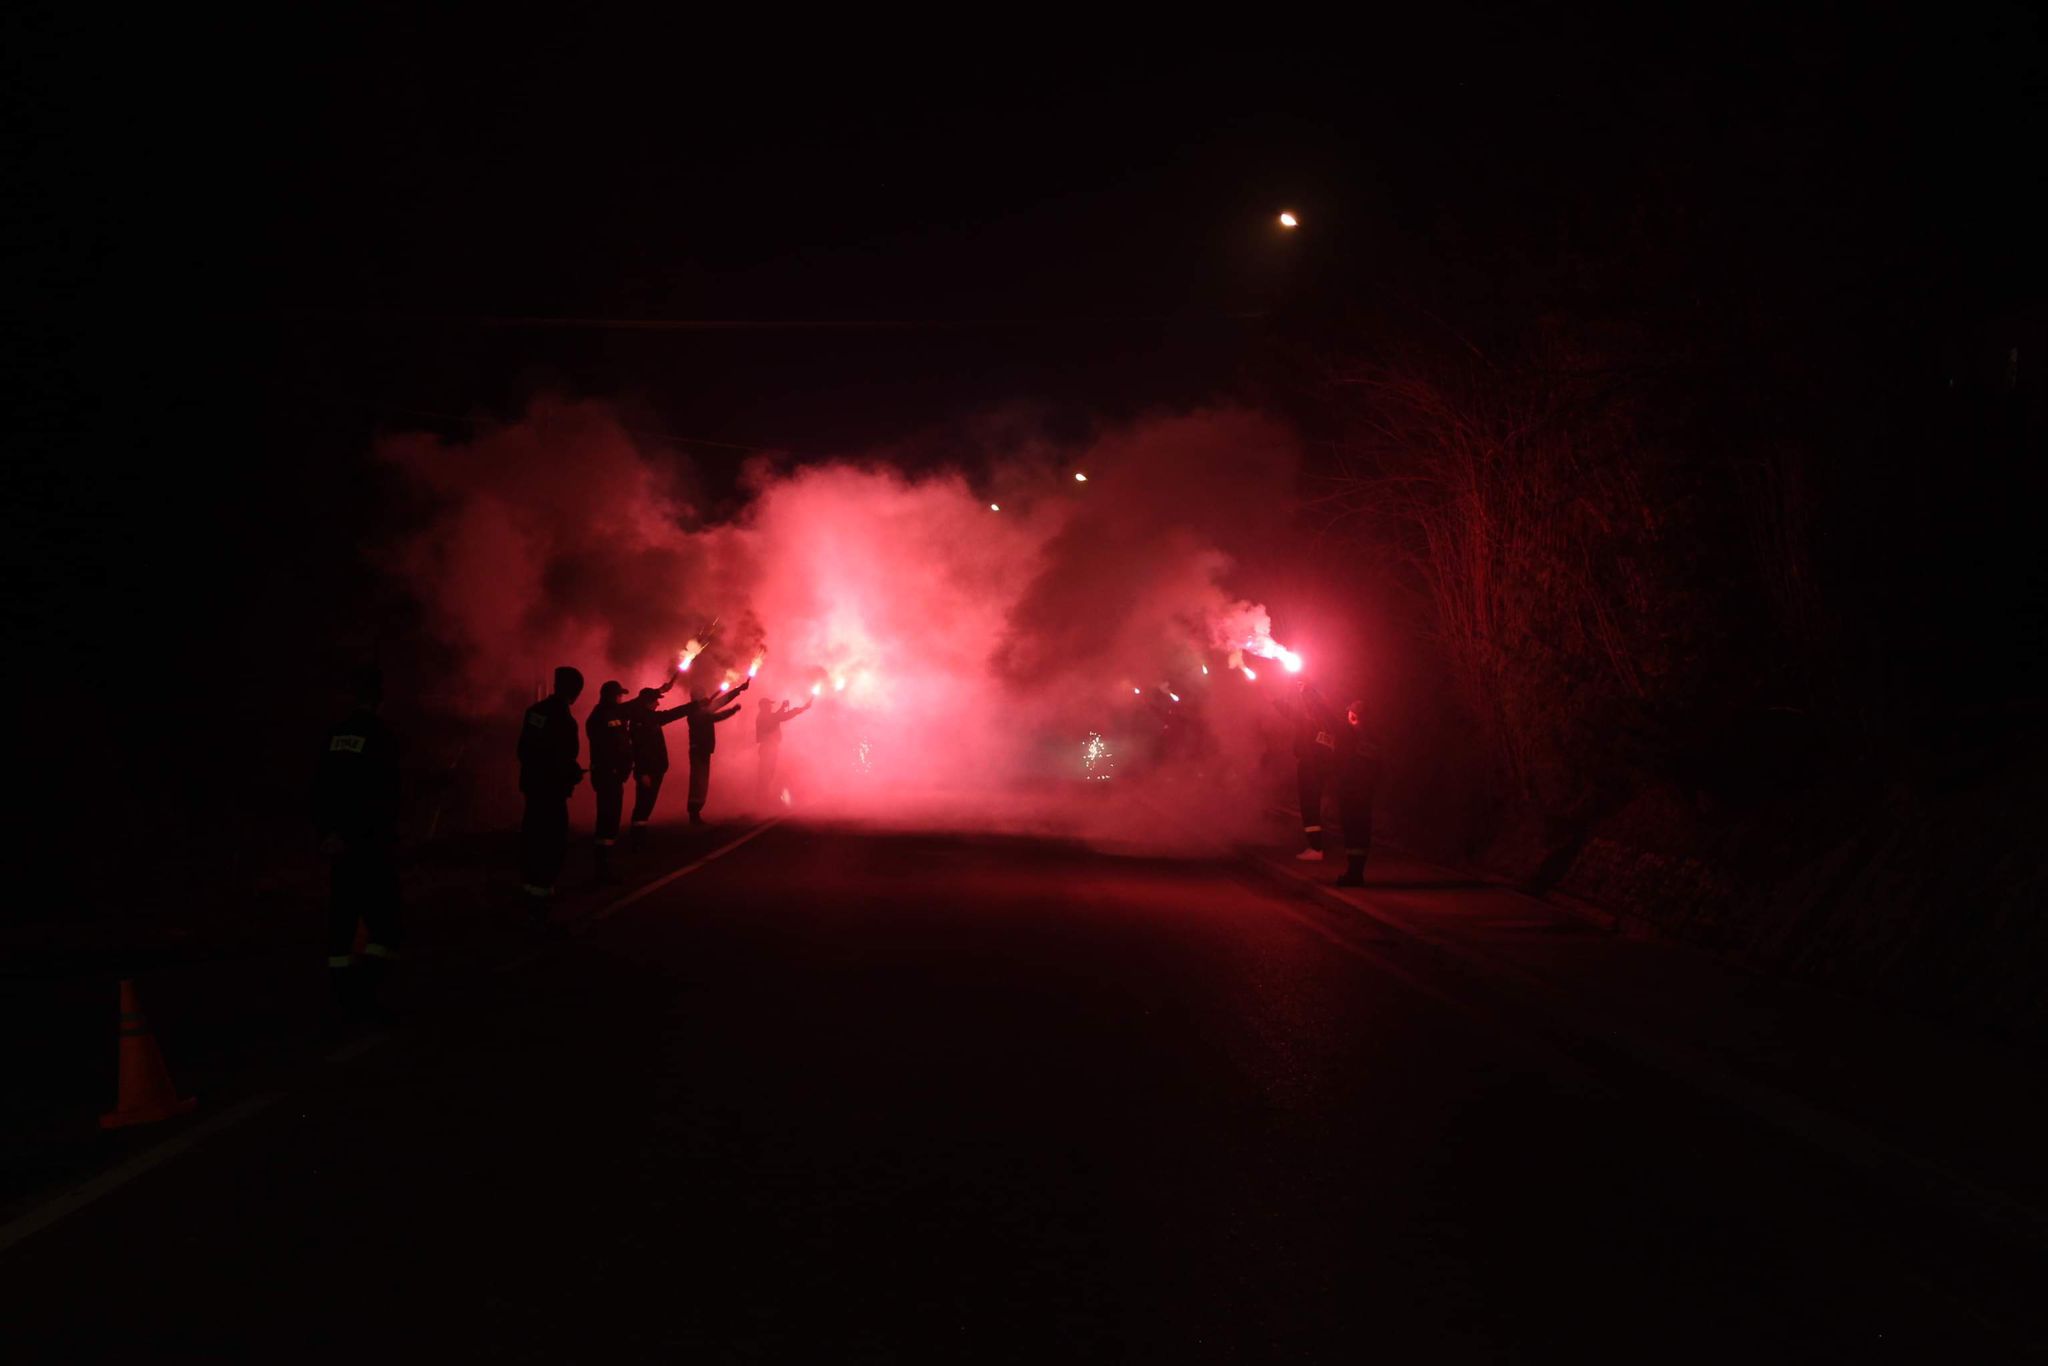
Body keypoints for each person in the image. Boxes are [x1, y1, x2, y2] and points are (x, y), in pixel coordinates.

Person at [313, 666, 402, 1016]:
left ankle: (341, 993)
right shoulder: (381, 736)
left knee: (342, 921)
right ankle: (364, 992)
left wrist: (327, 834)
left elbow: (320, 788)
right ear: (380, 698)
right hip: (369, 846)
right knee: (387, 925)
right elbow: (384, 794)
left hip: (338, 845)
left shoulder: (334, 735)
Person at [518, 666, 585, 907]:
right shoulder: (564, 720)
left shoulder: (536, 711)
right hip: (552, 790)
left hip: (534, 787)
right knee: (552, 841)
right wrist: (571, 773)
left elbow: (525, 749)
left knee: (533, 835)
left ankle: (530, 888)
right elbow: (562, 757)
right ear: (574, 691)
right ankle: (540, 898)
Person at [626, 674, 694, 837]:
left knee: (647, 805)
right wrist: (643, 772)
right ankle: (637, 839)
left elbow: (674, 713)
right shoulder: (641, 721)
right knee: (643, 805)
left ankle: (639, 836)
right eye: (655, 700)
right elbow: (638, 749)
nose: (658, 703)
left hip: (655, 769)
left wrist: (695, 705)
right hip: (648, 771)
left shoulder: (651, 718)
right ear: (647, 702)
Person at [584, 680, 636, 881]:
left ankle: (605, 864)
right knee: (607, 819)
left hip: (613, 774)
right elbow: (614, 745)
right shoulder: (602, 716)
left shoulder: (610, 714)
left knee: (611, 819)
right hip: (608, 774)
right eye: (618, 695)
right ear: (611, 696)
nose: (621, 698)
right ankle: (602, 867)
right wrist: (620, 767)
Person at [685, 677, 749, 824]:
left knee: (701, 781)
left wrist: (738, 690)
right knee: (698, 782)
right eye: (702, 695)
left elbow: (721, 701)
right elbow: (715, 716)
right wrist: (732, 710)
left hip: (703, 750)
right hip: (698, 750)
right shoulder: (695, 712)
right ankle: (694, 814)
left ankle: (695, 812)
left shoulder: (701, 709)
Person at [1331, 697, 1381, 888]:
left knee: (1355, 831)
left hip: (1355, 791)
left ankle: (1355, 873)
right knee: (1356, 831)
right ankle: (1355, 871)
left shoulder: (1357, 737)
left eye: (1351, 713)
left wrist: (1309, 691)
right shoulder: (1369, 737)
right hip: (1359, 791)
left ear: (1355, 716)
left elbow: (1326, 716)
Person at [1291, 682, 1338, 860]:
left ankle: (1316, 848)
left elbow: (1288, 710)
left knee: (1309, 806)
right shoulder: (1327, 718)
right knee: (1314, 805)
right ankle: (1316, 845)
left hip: (1311, 767)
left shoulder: (1312, 718)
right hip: (1321, 766)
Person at [752, 696, 813, 807]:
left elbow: (779, 717)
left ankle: (762, 799)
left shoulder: (765, 716)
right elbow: (778, 717)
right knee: (765, 774)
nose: (770, 706)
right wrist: (802, 708)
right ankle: (761, 800)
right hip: (768, 748)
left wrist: (784, 708)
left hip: (769, 748)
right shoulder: (764, 717)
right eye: (768, 704)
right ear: (763, 706)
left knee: (767, 774)